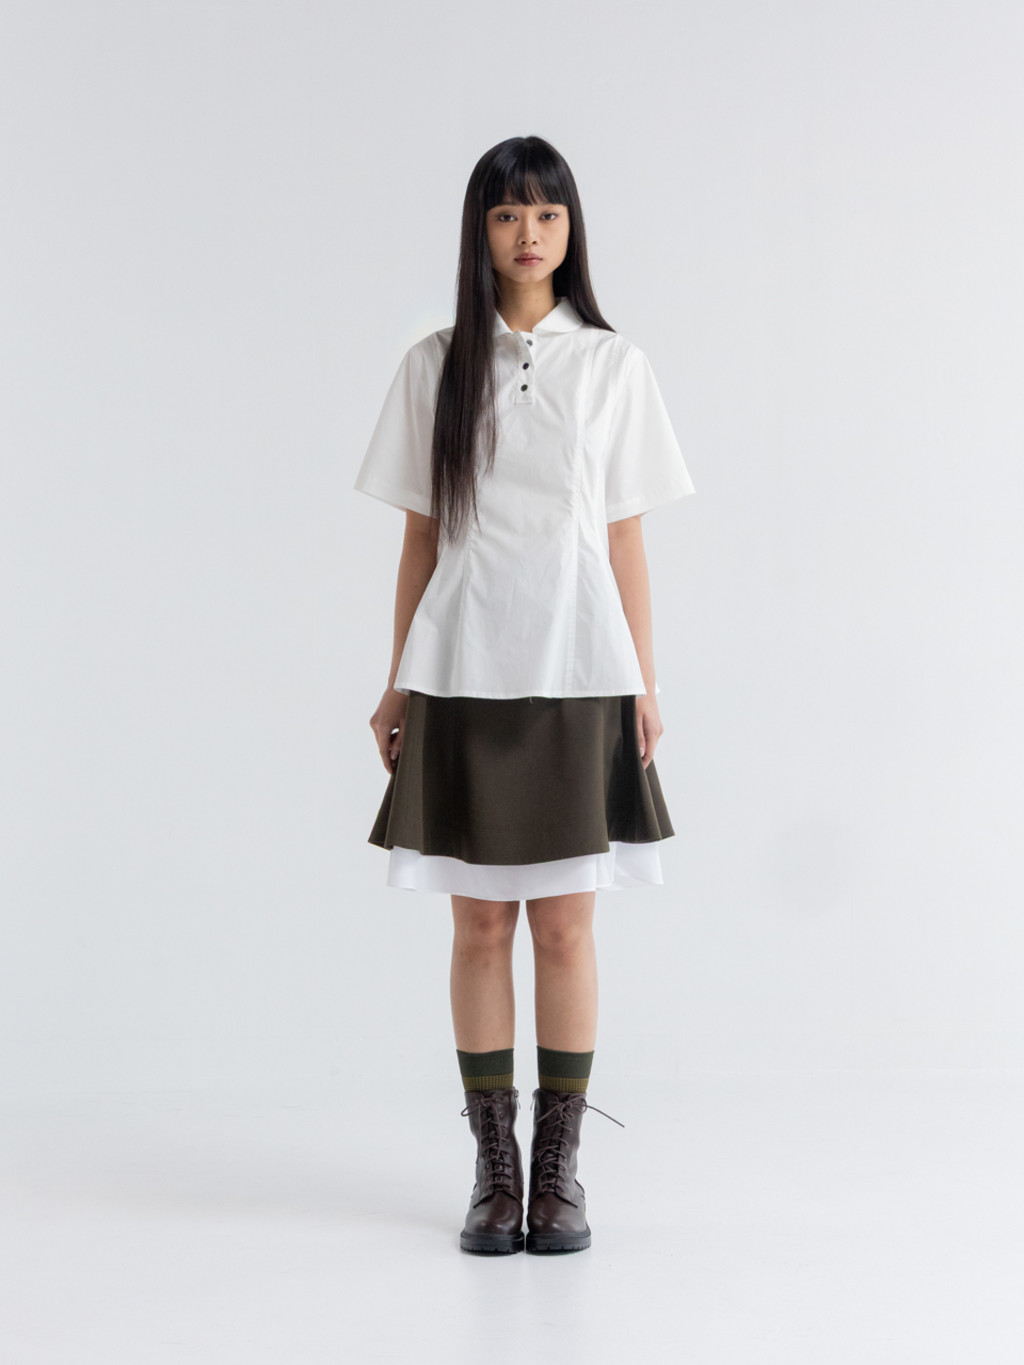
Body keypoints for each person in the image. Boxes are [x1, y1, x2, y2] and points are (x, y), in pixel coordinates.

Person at [353, 135, 696, 1255]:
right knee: (478, 921)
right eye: (508, 214)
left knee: (564, 924)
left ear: (571, 227)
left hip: (580, 668)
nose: (529, 232)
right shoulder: (435, 365)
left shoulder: (613, 365)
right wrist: (397, 678)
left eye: (546, 212)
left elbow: (625, 537)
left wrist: (644, 682)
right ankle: (492, 1171)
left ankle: (559, 1172)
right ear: (481, 231)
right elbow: (420, 537)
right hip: (462, 667)